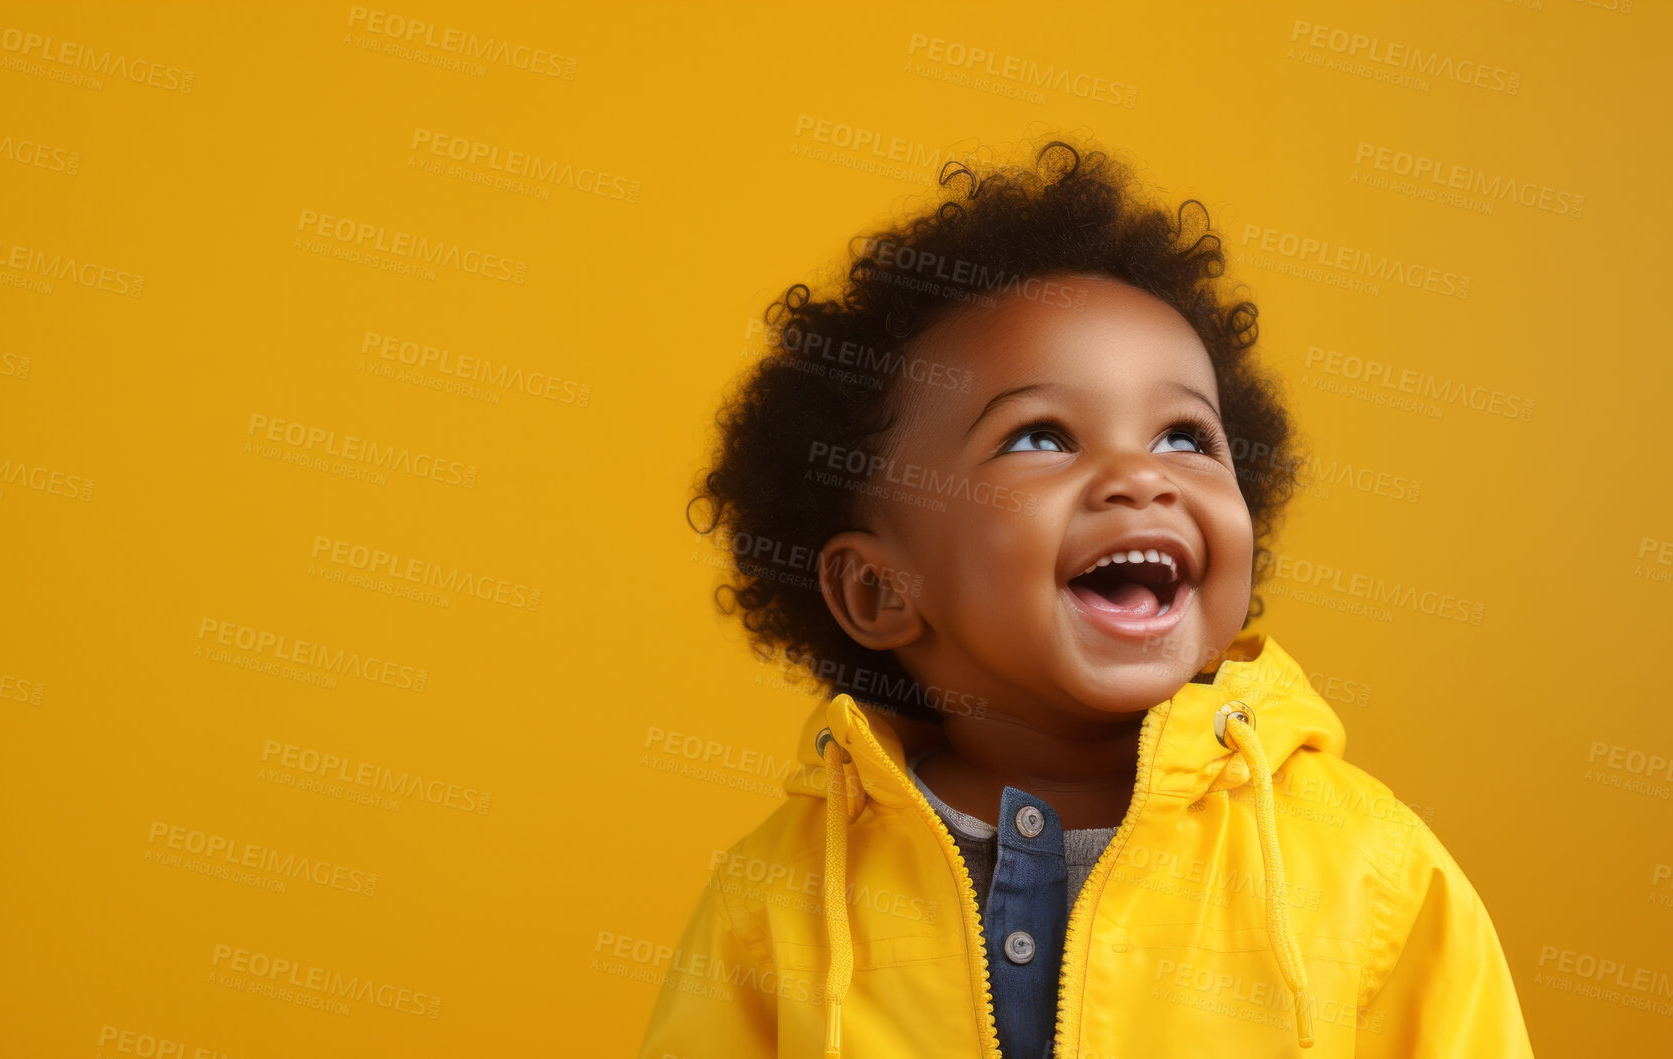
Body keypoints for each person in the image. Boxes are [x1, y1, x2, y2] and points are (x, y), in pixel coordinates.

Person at [641, 136, 1533, 1057]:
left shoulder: (1366, 868)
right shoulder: (784, 895)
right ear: (878, 588)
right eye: (1039, 438)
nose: (1140, 478)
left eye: (1185, 436)